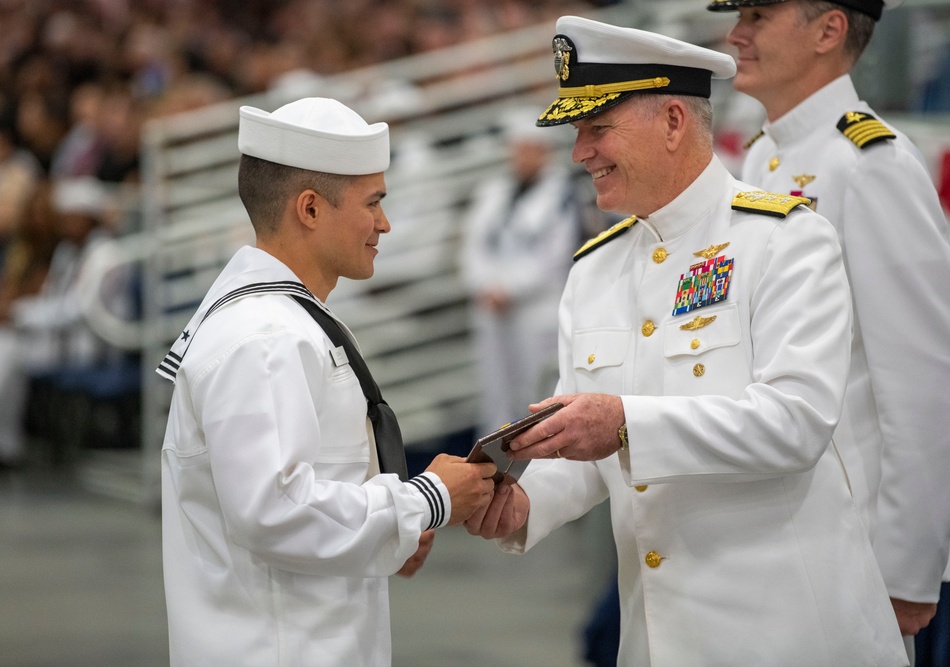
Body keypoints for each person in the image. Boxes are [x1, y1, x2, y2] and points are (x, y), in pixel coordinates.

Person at [464, 15, 909, 665]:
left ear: (674, 121)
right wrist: (526, 503)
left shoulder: (786, 241)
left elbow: (796, 422)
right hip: (659, 639)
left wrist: (622, 424)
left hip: (789, 633)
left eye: (597, 128)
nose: (579, 152)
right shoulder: (594, 270)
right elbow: (580, 439)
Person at [157, 97, 497, 666]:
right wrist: (425, 500)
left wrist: (384, 542)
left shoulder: (283, 320)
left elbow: (302, 500)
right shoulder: (266, 336)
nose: (384, 223)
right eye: (372, 203)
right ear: (310, 209)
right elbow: (273, 510)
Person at [706, 0, 950, 652]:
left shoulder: (870, 163)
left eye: (759, 16)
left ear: (829, 29)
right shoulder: (767, 156)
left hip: (849, 546)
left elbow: (928, 379)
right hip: (769, 532)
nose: (734, 34)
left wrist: (909, 565)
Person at [460, 107, 581, 436]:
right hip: (492, 306)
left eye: (529, 149)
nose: (521, 157)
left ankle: (540, 457)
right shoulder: (493, 191)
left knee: (537, 390)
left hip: (535, 307)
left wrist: (508, 290)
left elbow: (553, 258)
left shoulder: (561, 196)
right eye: (517, 149)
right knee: (495, 388)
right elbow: (473, 244)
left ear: (544, 152)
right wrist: (485, 285)